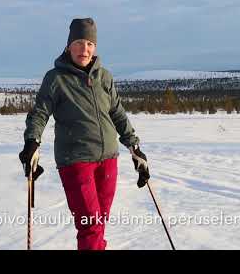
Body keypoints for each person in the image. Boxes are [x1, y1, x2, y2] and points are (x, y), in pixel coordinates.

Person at [19, 17, 150, 250]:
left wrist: (134, 147)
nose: (85, 49)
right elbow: (39, 112)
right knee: (90, 224)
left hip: (108, 158)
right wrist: (32, 141)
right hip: (75, 160)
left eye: (90, 44)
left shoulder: (105, 77)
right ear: (69, 45)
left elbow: (118, 113)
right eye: (79, 42)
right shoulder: (56, 78)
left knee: (99, 222)